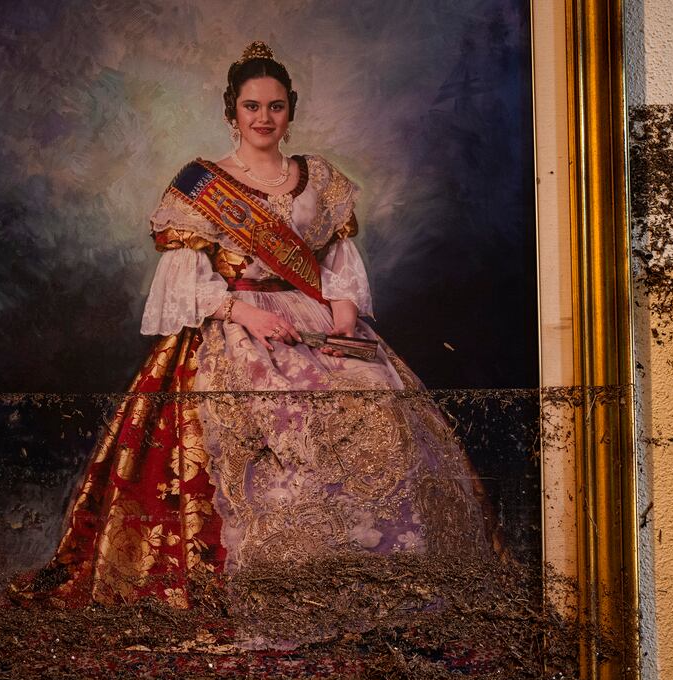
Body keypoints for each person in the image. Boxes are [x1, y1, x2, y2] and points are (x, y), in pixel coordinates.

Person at [28, 41, 496, 612]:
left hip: (317, 322)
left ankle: (374, 570)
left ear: (290, 111)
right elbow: (186, 279)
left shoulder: (318, 178)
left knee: (380, 409)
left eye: (275, 107)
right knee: (279, 426)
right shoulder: (201, 186)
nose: (264, 118)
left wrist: (344, 323)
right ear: (232, 112)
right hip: (235, 327)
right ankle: (281, 578)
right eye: (252, 107)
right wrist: (247, 314)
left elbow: (338, 267)